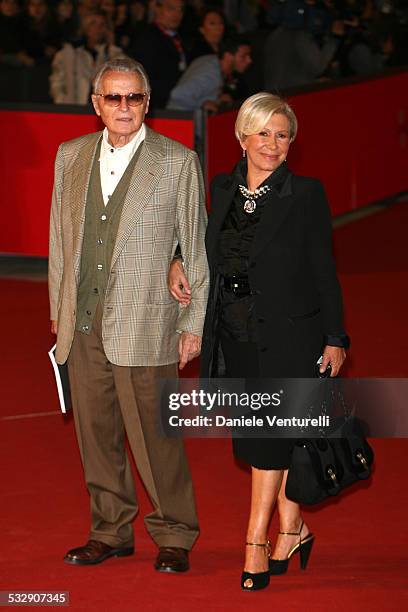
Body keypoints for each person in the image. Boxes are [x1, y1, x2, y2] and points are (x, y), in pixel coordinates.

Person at [168, 92, 349, 590]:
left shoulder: (305, 194)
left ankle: (254, 542)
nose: (273, 144)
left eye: (283, 134)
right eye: (264, 132)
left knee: (271, 439)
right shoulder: (222, 187)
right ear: (242, 136)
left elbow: (324, 270)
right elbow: (206, 243)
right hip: (235, 332)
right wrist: (179, 259)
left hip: (293, 334)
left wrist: (335, 336)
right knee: (262, 438)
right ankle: (293, 530)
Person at [48, 58, 209, 573]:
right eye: (113, 98)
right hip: (83, 320)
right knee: (95, 434)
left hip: (146, 320)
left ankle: (175, 532)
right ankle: (110, 530)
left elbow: (197, 248)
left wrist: (191, 325)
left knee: (155, 437)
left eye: (134, 98)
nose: (124, 107)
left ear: (147, 102)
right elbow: (59, 242)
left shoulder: (177, 161)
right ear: (96, 104)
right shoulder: (69, 156)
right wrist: (59, 313)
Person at [49, 11, 124, 104]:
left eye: (102, 24)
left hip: (103, 111)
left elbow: (124, 73)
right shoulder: (66, 54)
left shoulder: (113, 53)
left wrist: (111, 47)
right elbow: (56, 84)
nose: (98, 28)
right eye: (93, 23)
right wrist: (63, 103)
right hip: (73, 109)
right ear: (85, 28)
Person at [166, 36, 251, 112]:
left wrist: (216, 100)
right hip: (178, 120)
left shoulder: (212, 62)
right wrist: (202, 104)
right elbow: (177, 95)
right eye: (244, 56)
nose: (249, 60)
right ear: (228, 56)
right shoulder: (211, 72)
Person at [129, 0, 186, 108]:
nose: (177, 14)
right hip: (156, 106)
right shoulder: (147, 38)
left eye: (180, 9)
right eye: (171, 8)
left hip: (175, 103)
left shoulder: (180, 37)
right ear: (156, 8)